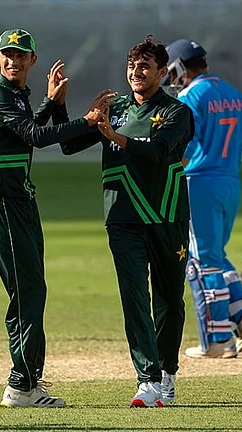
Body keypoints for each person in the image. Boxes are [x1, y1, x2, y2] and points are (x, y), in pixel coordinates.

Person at [0, 28, 110, 408]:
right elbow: (34, 136)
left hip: (20, 200)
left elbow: (24, 132)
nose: (13, 61)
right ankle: (21, 384)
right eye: (8, 54)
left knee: (32, 290)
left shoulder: (16, 95)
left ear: (33, 61)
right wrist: (87, 120)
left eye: (21, 56)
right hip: (3, 201)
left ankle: (29, 381)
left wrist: (52, 103)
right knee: (28, 292)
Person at [58, 36, 193, 407]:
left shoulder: (176, 112)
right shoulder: (113, 108)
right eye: (132, 65)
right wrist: (57, 106)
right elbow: (69, 145)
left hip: (167, 217)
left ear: (162, 73)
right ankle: (147, 381)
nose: (136, 71)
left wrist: (112, 136)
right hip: (122, 217)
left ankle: (166, 372)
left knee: (168, 300)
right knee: (134, 296)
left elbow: (157, 152)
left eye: (145, 66)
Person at [164, 39, 242, 359]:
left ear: (179, 67)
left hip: (199, 184)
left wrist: (165, 168)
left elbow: (188, 146)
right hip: (230, 186)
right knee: (215, 255)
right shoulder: (235, 95)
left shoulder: (192, 96)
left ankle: (217, 339)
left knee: (201, 261)